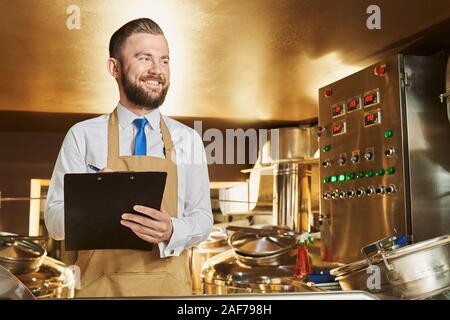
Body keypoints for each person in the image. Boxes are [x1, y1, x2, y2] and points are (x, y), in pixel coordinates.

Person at [44, 18, 213, 297]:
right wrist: (92, 201)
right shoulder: (82, 136)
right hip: (99, 289)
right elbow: (53, 222)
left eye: (164, 60)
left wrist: (172, 229)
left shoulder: (188, 139)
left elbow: (203, 219)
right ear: (114, 67)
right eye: (144, 58)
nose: (157, 70)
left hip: (168, 290)